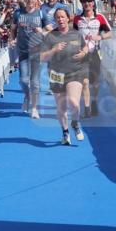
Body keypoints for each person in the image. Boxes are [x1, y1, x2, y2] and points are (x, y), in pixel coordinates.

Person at [39, 8, 89, 145]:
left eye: (62, 17)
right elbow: (42, 58)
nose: (60, 19)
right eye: (58, 18)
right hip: (56, 75)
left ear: (68, 18)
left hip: (74, 72)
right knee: (61, 107)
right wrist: (54, 49)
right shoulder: (50, 36)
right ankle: (65, 132)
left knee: (74, 102)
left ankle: (75, 123)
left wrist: (84, 53)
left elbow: (85, 47)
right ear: (55, 20)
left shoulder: (76, 34)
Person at [73, 0, 112, 117]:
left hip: (95, 53)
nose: (87, 4)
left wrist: (99, 37)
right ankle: (87, 108)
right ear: (82, 3)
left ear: (93, 3)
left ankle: (94, 102)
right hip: (82, 53)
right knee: (84, 82)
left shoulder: (99, 17)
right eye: (84, 1)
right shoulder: (77, 19)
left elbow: (110, 33)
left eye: (89, 1)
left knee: (95, 83)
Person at [14, 0, 45, 118]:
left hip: (37, 51)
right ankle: (27, 96)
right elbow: (13, 28)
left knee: (35, 82)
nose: (30, 0)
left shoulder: (41, 13)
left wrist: (41, 30)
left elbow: (48, 30)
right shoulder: (18, 13)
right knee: (23, 80)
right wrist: (12, 38)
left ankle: (34, 108)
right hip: (23, 51)